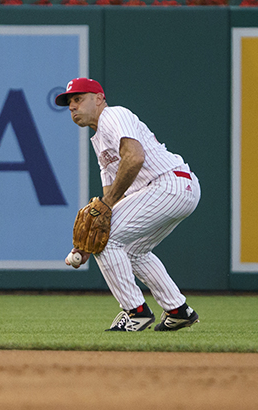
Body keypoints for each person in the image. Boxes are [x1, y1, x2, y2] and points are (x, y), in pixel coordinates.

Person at [56, 78, 201, 332]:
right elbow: (111, 199)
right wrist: (87, 242)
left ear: (99, 98)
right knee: (132, 249)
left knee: (108, 238)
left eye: (78, 99)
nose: (72, 107)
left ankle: (136, 312)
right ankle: (178, 310)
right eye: (69, 103)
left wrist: (104, 215)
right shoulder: (99, 141)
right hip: (177, 188)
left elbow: (134, 158)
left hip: (167, 183)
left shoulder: (114, 115)